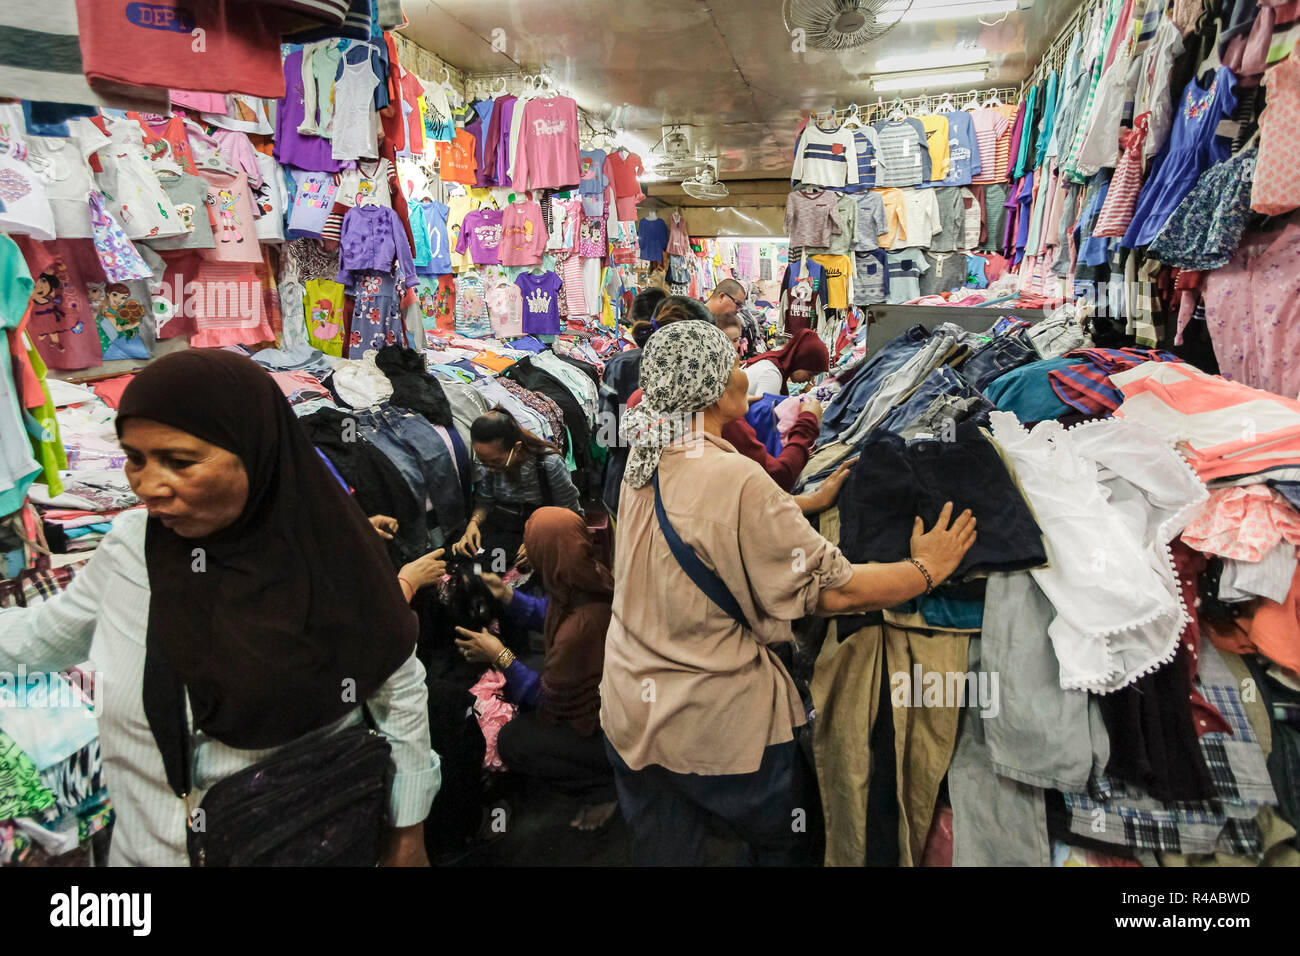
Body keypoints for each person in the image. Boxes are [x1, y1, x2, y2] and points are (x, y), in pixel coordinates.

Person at [0, 349, 439, 866]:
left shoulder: (329, 552)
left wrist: (407, 834)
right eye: (135, 458)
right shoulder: (132, 549)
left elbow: (399, 690)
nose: (147, 486)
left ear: (254, 451)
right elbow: (45, 635)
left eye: (179, 462)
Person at [602, 322, 976, 866]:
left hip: (629, 708)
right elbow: (837, 593)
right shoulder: (736, 479)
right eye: (730, 361)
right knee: (785, 842)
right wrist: (926, 569)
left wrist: (801, 503)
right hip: (713, 723)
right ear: (708, 385)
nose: (742, 371)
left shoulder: (646, 455)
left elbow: (701, 524)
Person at [452, 507, 616, 830]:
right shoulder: (587, 574)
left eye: (533, 548)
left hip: (606, 731)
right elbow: (550, 611)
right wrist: (508, 595)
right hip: (615, 706)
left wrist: (501, 656)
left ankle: (605, 785)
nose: (526, 555)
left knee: (513, 741)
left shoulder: (579, 631)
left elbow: (547, 700)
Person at [453, 407, 582, 565]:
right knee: (467, 564)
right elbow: (484, 502)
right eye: (483, 461)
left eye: (495, 462)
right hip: (503, 529)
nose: (488, 468)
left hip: (544, 529)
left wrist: (540, 542)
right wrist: (473, 524)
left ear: (517, 448)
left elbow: (570, 514)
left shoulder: (548, 464)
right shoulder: (490, 463)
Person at [744, 328, 830, 397]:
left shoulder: (774, 365)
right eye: (810, 374)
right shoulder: (771, 373)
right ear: (800, 362)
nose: (808, 380)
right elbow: (763, 416)